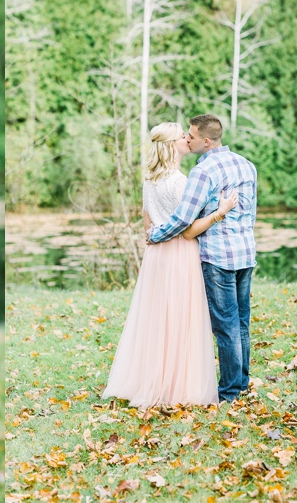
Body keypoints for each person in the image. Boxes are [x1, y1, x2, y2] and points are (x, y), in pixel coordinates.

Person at [103, 122, 235, 407]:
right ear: (170, 145)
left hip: (156, 256)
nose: (188, 140)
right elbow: (190, 226)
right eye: (182, 137)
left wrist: (152, 237)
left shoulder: (150, 179)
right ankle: (178, 387)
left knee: (157, 319)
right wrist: (219, 213)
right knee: (180, 318)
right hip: (180, 253)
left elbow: (147, 221)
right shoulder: (180, 182)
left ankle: (152, 380)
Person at [148, 114, 257, 403]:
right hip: (245, 252)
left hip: (218, 256)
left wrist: (156, 235)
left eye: (192, 135)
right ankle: (242, 384)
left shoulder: (203, 171)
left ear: (206, 141)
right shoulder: (247, 166)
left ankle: (231, 392)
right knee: (241, 321)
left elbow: (184, 219)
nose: (188, 138)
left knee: (226, 325)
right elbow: (250, 215)